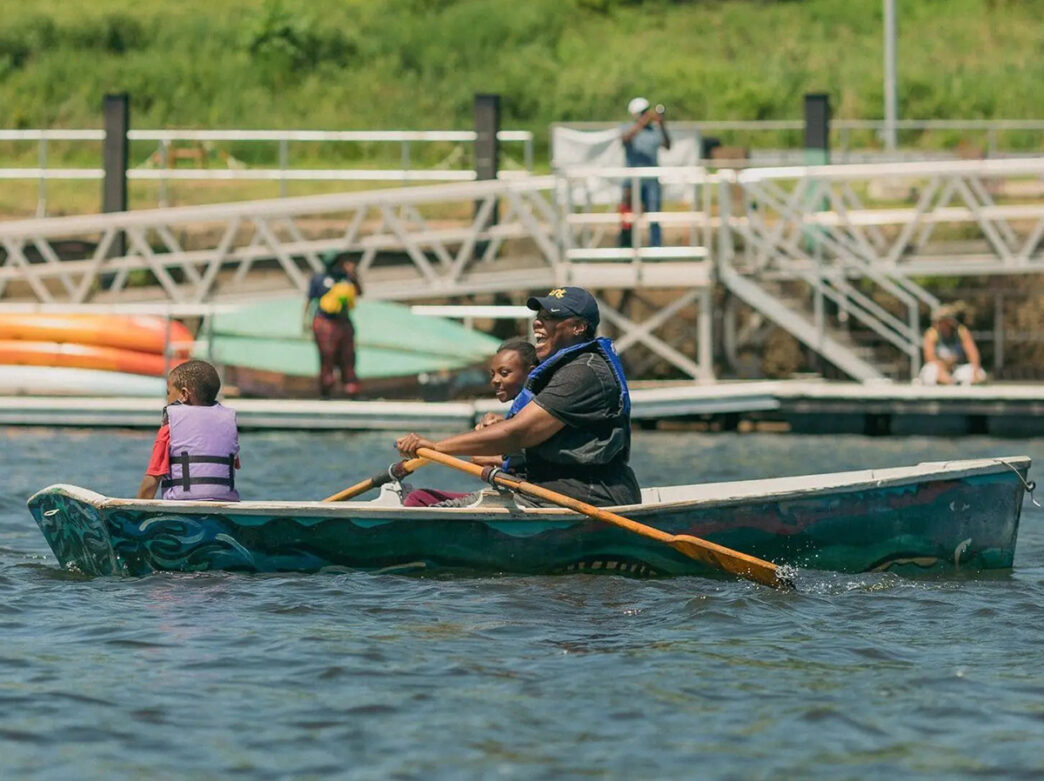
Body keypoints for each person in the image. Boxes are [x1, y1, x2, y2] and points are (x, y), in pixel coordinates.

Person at [396, 287, 641, 508]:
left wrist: (437, 447)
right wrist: (501, 428)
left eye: (550, 318)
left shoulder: (583, 372)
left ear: (578, 327)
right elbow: (537, 434)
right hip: (555, 488)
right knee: (420, 499)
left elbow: (518, 433)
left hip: (591, 493)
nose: (537, 323)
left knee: (421, 505)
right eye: (539, 317)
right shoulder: (567, 368)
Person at [402, 339, 538, 507]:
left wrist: (434, 446)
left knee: (417, 500)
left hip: (523, 500)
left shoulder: (538, 413)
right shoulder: (521, 410)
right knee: (420, 497)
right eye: (492, 374)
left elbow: (523, 450)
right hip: (508, 494)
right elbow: (482, 457)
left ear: (530, 373)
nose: (494, 380)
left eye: (504, 373)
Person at [137, 359, 241, 501]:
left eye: (169, 393)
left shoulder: (170, 427)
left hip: (182, 507)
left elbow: (152, 481)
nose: (167, 398)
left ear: (184, 394)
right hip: (226, 507)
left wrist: (135, 513)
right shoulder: (228, 423)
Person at [305, 251, 362, 398]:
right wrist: (306, 321)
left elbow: (359, 292)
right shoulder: (319, 279)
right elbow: (309, 300)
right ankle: (326, 389)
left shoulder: (346, 279)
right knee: (327, 356)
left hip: (342, 323)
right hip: (326, 322)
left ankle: (350, 388)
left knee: (348, 357)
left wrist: (353, 275)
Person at [621, 96, 671, 247]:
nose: (646, 115)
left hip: (651, 181)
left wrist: (662, 125)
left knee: (654, 216)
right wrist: (642, 123)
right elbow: (625, 139)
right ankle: (626, 248)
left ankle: (655, 249)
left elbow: (668, 145)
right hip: (632, 181)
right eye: (643, 112)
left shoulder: (654, 131)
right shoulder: (628, 128)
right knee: (628, 217)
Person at [919, 304, 986, 386]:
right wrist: (943, 368)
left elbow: (973, 354)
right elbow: (930, 357)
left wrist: (975, 370)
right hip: (939, 368)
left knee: (980, 373)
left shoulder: (961, 332)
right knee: (930, 371)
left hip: (956, 369)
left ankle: (956, 383)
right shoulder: (932, 333)